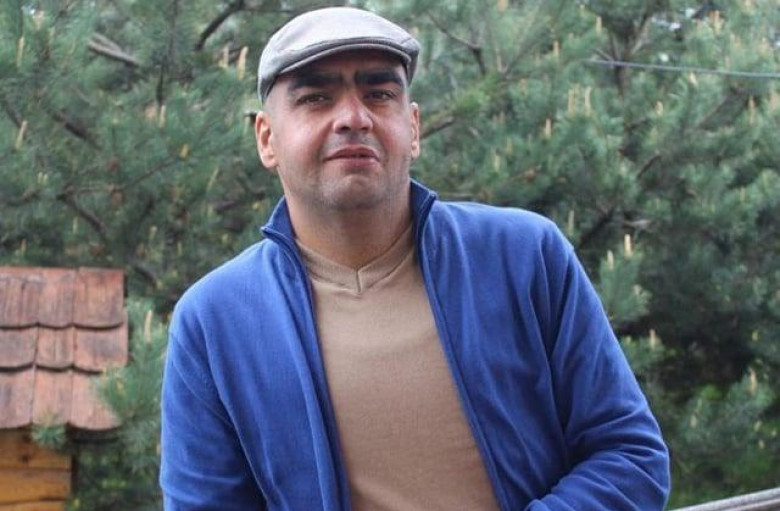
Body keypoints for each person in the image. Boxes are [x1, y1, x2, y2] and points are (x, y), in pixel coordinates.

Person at [160, 7, 670, 510]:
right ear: (267, 138)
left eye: (379, 94)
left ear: (413, 126)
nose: (353, 118)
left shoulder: (523, 257)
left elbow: (630, 455)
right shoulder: (214, 321)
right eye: (316, 98)